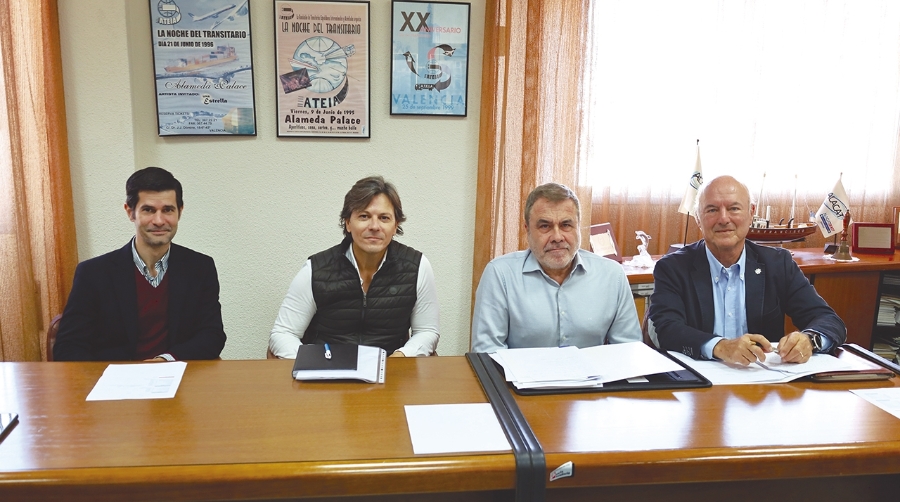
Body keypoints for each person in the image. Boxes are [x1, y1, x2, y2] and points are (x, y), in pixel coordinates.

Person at [648, 175, 846, 365]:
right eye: (712, 210)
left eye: (734, 208)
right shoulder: (673, 268)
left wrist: (809, 340)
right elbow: (666, 330)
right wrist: (720, 346)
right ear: (698, 218)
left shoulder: (778, 264)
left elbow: (828, 320)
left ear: (751, 213)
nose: (723, 219)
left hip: (763, 380)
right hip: (699, 378)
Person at [54, 167, 226, 361]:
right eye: (148, 210)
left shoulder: (200, 268)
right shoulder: (93, 273)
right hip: (115, 376)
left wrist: (165, 360)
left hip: (179, 373)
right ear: (130, 212)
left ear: (180, 212)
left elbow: (212, 335)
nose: (159, 221)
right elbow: (69, 347)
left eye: (168, 210)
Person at [268, 176, 439, 358]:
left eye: (384, 218)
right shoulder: (316, 269)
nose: (374, 226)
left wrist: (401, 356)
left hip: (390, 368)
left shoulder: (417, 267)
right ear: (348, 223)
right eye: (364, 216)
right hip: (326, 368)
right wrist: (310, 362)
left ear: (396, 225)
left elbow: (427, 331)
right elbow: (283, 333)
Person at [471, 182, 642, 352]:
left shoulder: (612, 275)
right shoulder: (500, 275)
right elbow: (487, 352)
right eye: (545, 226)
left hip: (594, 371)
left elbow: (628, 349)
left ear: (578, 227)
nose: (557, 237)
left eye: (566, 225)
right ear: (527, 229)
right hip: (520, 371)